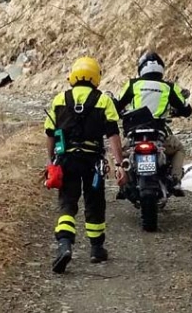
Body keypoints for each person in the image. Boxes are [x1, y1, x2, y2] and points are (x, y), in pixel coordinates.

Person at [44, 56, 126, 274]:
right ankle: (96, 249)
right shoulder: (103, 101)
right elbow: (113, 135)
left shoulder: (60, 99)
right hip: (93, 162)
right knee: (94, 202)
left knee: (67, 203)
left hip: (66, 160)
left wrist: (50, 162)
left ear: (73, 76)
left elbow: (50, 133)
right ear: (96, 77)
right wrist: (120, 164)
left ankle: (64, 245)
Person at [115, 51, 192, 195]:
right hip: (158, 133)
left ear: (141, 68)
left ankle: (123, 181)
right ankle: (175, 180)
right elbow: (187, 110)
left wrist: (121, 112)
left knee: (119, 151)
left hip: (135, 133)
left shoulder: (133, 84)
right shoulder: (169, 87)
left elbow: (117, 104)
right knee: (179, 149)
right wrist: (178, 111)